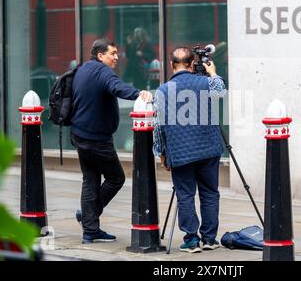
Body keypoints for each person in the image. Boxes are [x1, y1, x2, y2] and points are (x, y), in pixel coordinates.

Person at [71, 38, 152, 244]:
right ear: (100, 55)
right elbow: (117, 87)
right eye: (112, 53)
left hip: (79, 135)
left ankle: (90, 230)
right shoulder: (103, 71)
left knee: (90, 180)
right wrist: (138, 94)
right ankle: (88, 215)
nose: (117, 57)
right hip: (97, 139)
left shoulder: (83, 69)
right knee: (116, 178)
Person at [153, 47, 227, 253]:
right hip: (209, 149)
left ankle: (192, 240)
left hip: (180, 151)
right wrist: (212, 73)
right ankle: (210, 239)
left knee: (185, 195)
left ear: (171, 64)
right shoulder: (205, 82)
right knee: (210, 193)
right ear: (193, 63)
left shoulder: (162, 91)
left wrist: (161, 153)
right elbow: (221, 91)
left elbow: (158, 126)